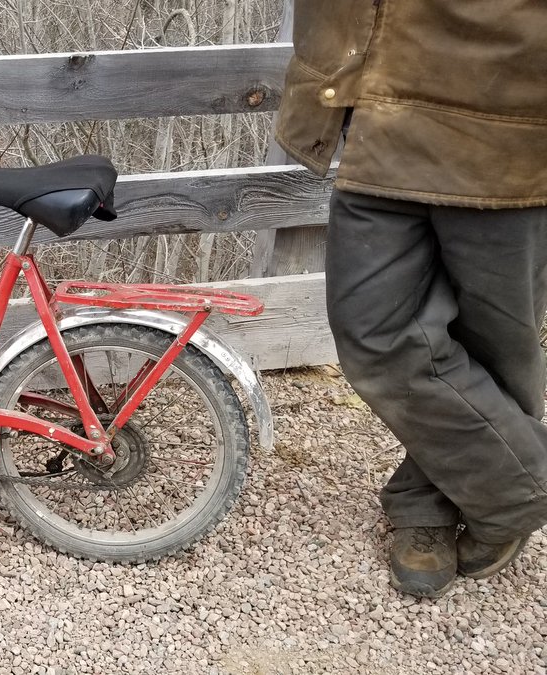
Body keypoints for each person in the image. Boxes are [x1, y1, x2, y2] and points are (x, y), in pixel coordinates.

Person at [274, 1, 547, 598]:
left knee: (497, 342)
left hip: (513, 129)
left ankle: (429, 505)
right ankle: (517, 486)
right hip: (378, 110)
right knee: (374, 334)